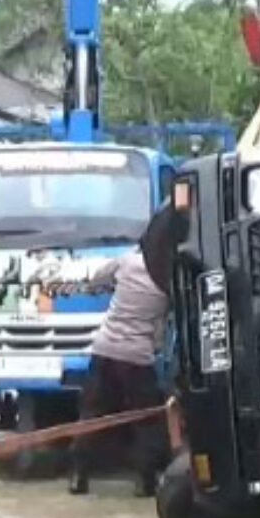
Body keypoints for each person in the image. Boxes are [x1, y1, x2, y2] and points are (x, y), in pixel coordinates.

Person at [68, 202, 177, 497]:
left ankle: (79, 475)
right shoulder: (168, 278)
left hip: (104, 349)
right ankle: (145, 481)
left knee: (92, 413)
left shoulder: (127, 262)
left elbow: (95, 279)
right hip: (138, 357)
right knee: (145, 420)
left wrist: (106, 286)